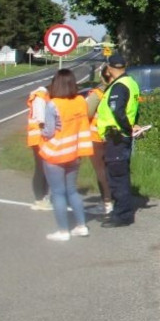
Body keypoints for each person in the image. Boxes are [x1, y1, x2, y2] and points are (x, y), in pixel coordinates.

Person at [39, 68, 93, 241]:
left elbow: (48, 131)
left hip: (56, 153)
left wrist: (41, 129)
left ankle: (63, 231)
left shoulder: (53, 104)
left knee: (58, 193)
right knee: (72, 191)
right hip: (75, 152)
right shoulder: (80, 101)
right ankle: (81, 226)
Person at [96, 53, 141, 228]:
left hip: (117, 137)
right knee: (118, 174)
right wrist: (133, 125)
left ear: (109, 68)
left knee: (117, 177)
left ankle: (122, 215)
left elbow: (118, 111)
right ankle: (119, 211)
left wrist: (127, 128)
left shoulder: (119, 86)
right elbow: (134, 110)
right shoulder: (131, 83)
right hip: (122, 136)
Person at [83, 65, 114, 216]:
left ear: (102, 77)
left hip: (96, 136)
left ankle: (106, 202)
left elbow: (86, 113)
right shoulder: (119, 90)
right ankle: (113, 199)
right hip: (114, 135)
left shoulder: (98, 93)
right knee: (111, 168)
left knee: (100, 170)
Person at [26, 85, 52, 210]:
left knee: (43, 168)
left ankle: (42, 197)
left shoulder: (41, 96)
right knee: (41, 168)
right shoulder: (41, 97)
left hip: (38, 137)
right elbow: (41, 120)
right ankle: (40, 199)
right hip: (39, 138)